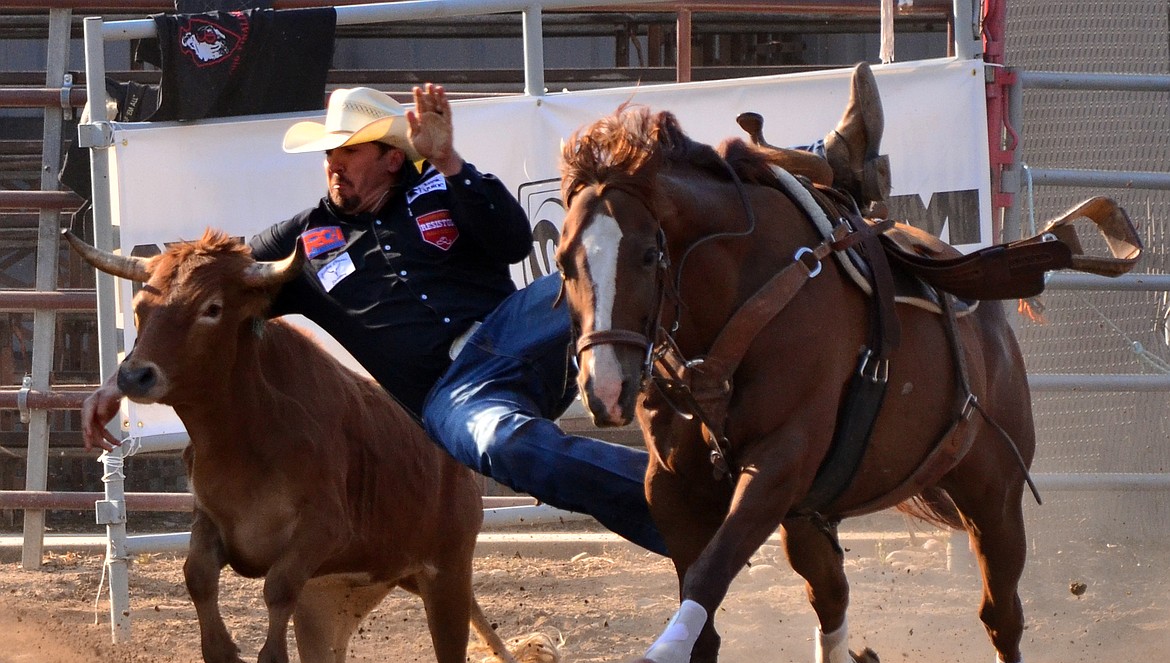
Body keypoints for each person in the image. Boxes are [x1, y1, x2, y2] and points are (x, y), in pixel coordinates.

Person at [82, 70, 887, 556]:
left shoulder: (441, 187)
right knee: (518, 450)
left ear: (389, 157)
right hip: (453, 395)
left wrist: (453, 162)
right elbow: (192, 290)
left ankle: (818, 177)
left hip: (522, 324)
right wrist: (120, 380)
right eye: (328, 155)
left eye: (347, 151)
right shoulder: (300, 241)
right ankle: (703, 509)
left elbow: (509, 236)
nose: (332, 166)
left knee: (619, 252)